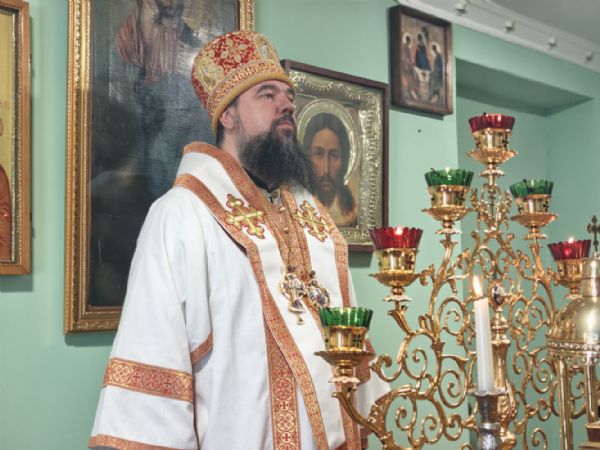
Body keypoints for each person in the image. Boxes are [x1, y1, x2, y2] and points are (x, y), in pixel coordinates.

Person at [89, 30, 387, 450]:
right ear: (227, 116)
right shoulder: (182, 215)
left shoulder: (314, 221)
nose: (287, 105)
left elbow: (348, 343)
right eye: (267, 95)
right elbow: (155, 362)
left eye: (289, 96)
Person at [304, 113, 358, 227]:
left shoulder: (353, 215)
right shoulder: (299, 206)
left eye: (334, 156)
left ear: (344, 161)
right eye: (319, 154)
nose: (326, 170)